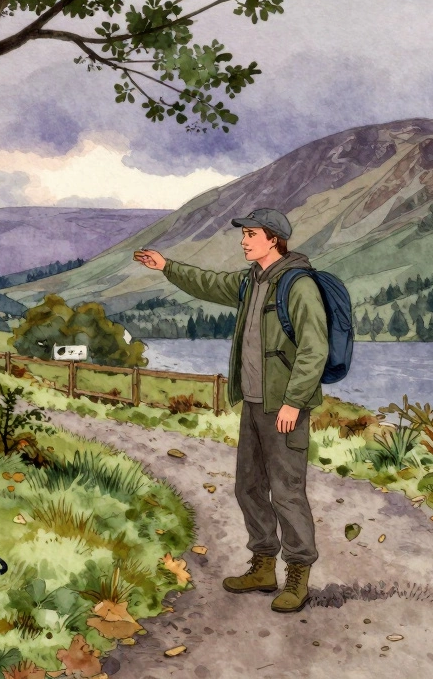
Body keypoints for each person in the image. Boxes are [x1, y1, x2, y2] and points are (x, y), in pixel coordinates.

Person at [133, 208, 328, 614]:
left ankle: (298, 575)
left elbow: (315, 349)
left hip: (284, 407)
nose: (243, 241)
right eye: (244, 234)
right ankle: (262, 565)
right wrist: (166, 266)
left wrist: (293, 402)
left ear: (273, 239)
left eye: (251, 234)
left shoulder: (299, 285)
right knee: (248, 486)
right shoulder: (249, 281)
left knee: (287, 493)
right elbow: (207, 283)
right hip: (254, 403)